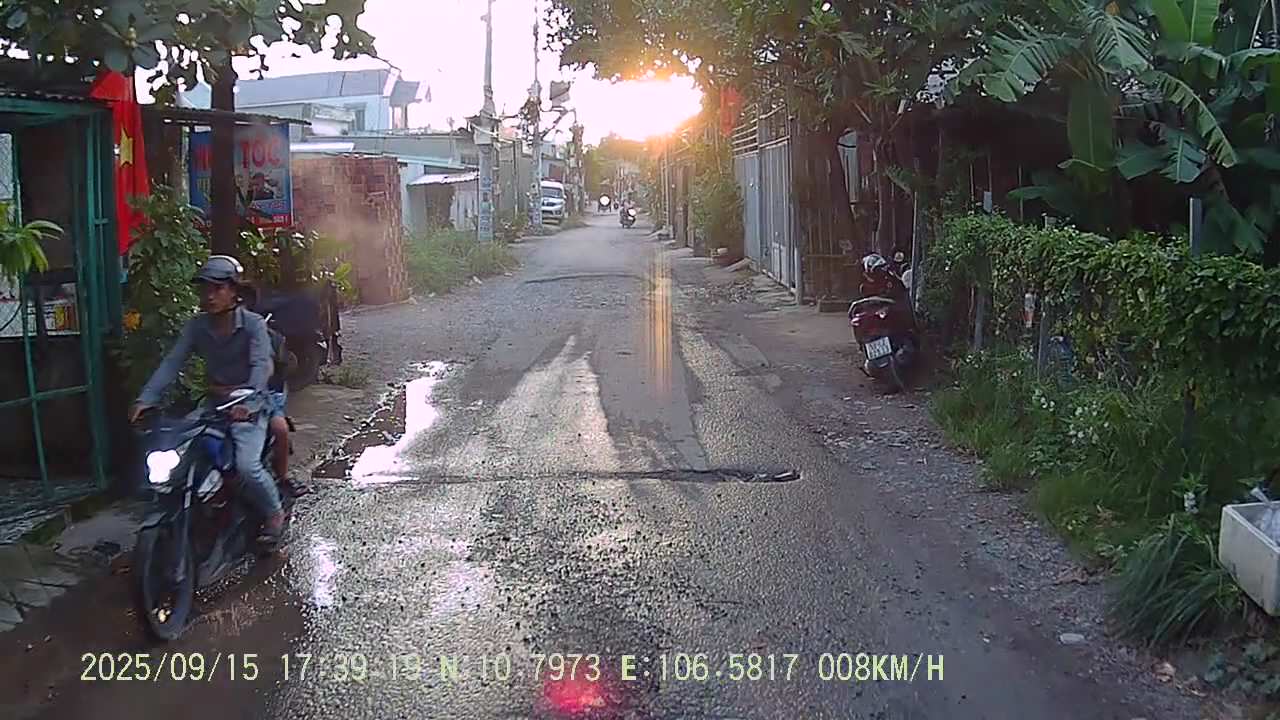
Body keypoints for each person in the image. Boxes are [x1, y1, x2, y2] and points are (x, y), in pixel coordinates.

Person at [129, 256, 286, 549]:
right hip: (215, 404)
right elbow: (172, 362)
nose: (209, 296)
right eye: (204, 289)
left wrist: (248, 403)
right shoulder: (197, 326)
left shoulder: (253, 325)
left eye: (217, 288)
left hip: (250, 407)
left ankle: (274, 513)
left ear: (234, 291)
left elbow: (262, 365)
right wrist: (146, 399)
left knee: (247, 466)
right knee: (183, 450)